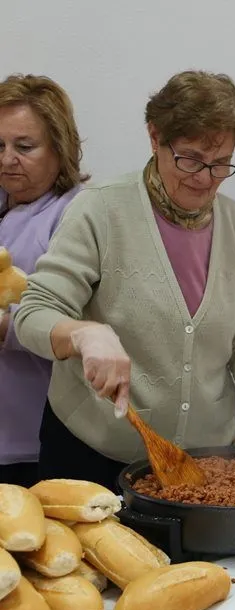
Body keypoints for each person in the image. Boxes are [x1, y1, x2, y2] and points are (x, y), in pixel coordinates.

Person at [14, 70, 235, 491]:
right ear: (154, 137)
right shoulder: (101, 210)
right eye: (190, 158)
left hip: (201, 465)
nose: (204, 177)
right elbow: (33, 315)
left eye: (220, 164)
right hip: (94, 455)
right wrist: (85, 334)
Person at [0, 74, 88, 488]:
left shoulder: (74, 215)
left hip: (29, 438)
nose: (6, 159)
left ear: (60, 147)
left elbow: (69, 325)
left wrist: (5, 326)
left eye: (24, 147)